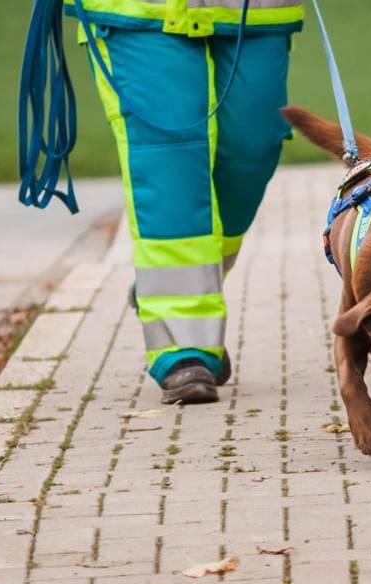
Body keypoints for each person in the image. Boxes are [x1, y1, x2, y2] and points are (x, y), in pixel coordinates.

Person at [67, 0, 304, 404]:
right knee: (169, 163)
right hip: (139, 12)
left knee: (254, 146)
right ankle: (182, 347)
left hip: (254, 9)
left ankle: (179, 290)